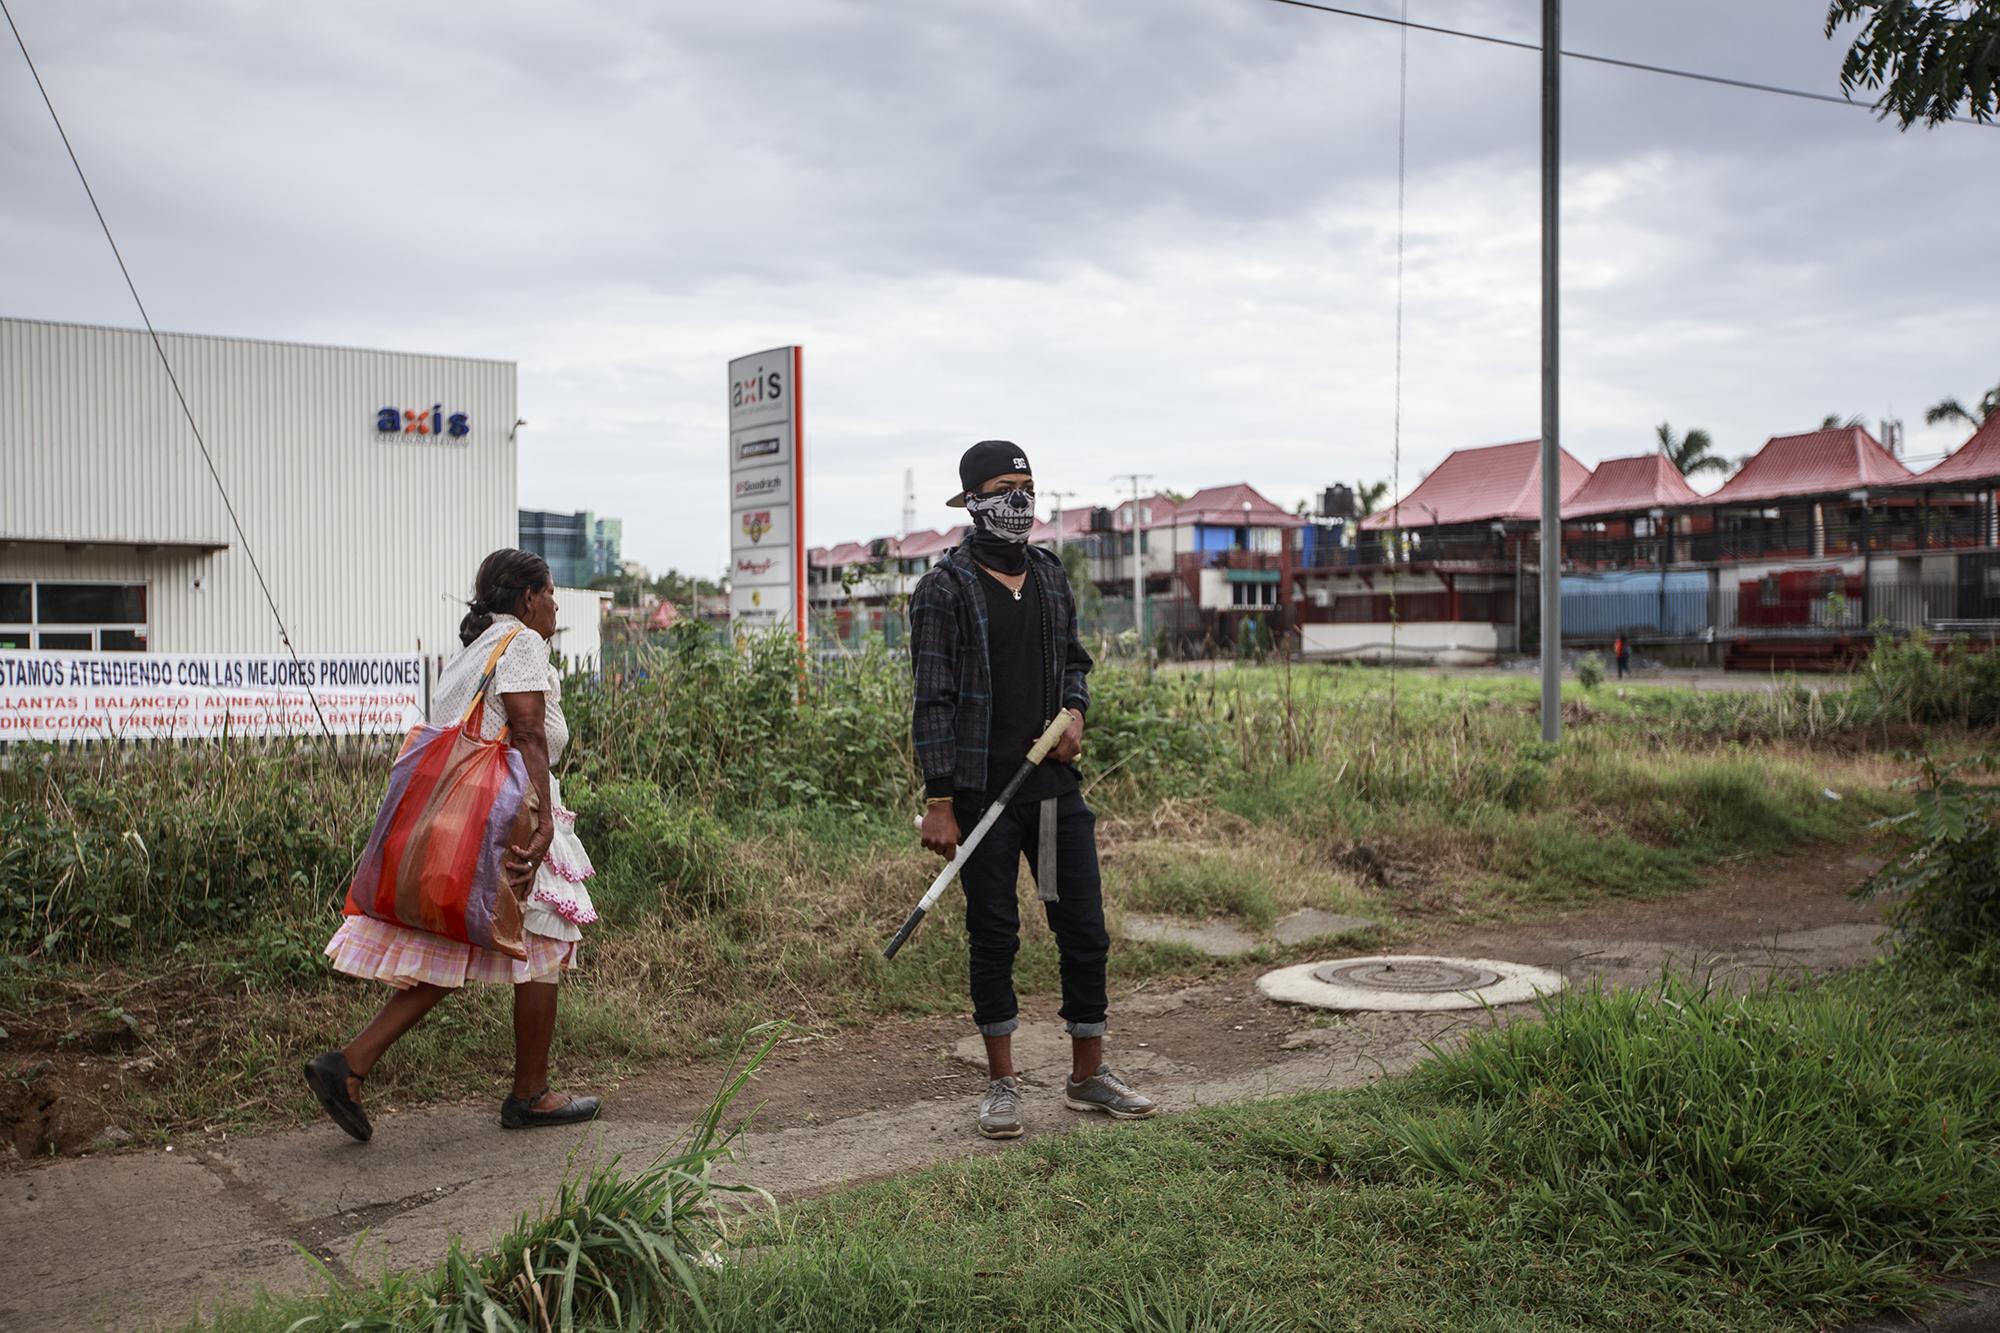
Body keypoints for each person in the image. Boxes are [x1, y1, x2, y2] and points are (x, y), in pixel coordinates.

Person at [304, 549, 601, 1140]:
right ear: (526, 599)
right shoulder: (520, 644)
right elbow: (528, 733)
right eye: (549, 593)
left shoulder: (471, 653)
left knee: (461, 949)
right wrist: (542, 827)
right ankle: (531, 1094)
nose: (556, 605)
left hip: (464, 821)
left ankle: (350, 1064)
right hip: (507, 820)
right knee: (545, 938)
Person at [909, 440, 1159, 1140]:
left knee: (1081, 926)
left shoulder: (1050, 576)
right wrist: (938, 799)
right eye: (1002, 486)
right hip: (984, 800)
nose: (1018, 498)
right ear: (973, 500)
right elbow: (933, 697)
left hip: (1051, 796)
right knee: (994, 934)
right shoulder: (945, 588)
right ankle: (1002, 1084)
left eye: (1026, 484)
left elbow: (1074, 664)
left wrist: (1075, 710)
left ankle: (1087, 1074)